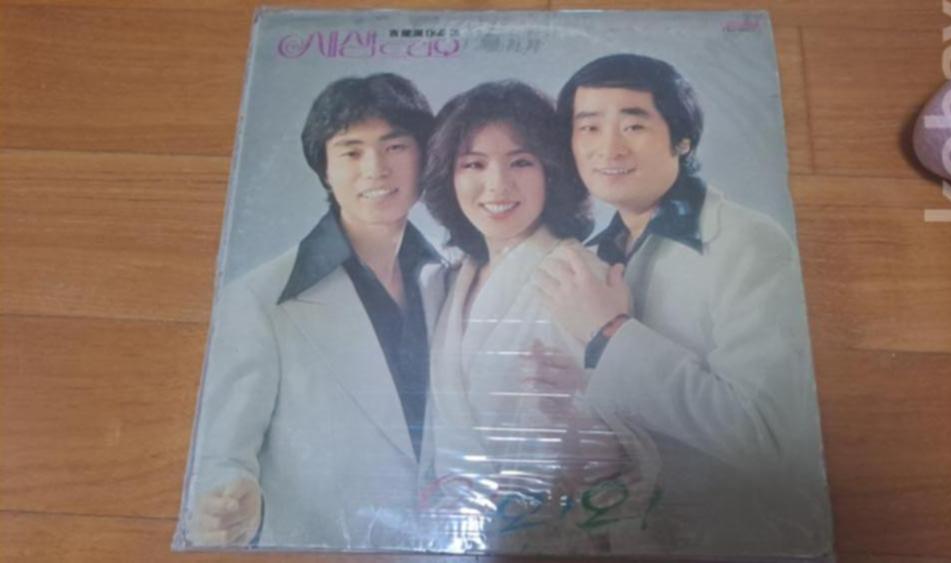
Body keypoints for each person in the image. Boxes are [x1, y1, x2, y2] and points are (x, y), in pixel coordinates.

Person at [535, 54, 833, 556]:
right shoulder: (588, 260)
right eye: (588, 128)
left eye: (633, 125)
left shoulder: (748, 242)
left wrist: (610, 333)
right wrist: (570, 403)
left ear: (682, 139)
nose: (608, 148)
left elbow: (768, 441)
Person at [183, 73, 448, 548]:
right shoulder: (259, 298)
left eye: (395, 147)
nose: (376, 169)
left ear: (424, 157)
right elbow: (220, 453)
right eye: (351, 152)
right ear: (324, 168)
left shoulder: (453, 277)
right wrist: (225, 502)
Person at [420, 81, 658, 554]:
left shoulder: (581, 277)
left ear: (552, 170)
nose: (497, 185)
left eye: (521, 162)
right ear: (449, 176)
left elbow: (633, 446)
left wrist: (576, 410)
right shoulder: (449, 281)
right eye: (473, 164)